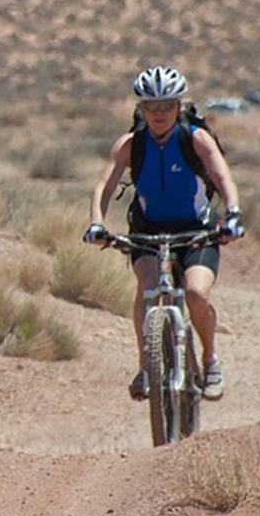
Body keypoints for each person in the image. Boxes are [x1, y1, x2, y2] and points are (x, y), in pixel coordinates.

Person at [84, 65, 244, 403]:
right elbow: (104, 186)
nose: (158, 113)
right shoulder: (131, 144)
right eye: (150, 106)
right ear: (140, 109)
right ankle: (147, 366)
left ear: (179, 106)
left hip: (197, 230)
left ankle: (210, 359)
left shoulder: (195, 138)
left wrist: (232, 214)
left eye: (166, 105)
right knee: (147, 287)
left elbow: (222, 177)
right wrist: (97, 222)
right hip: (148, 230)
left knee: (196, 293)